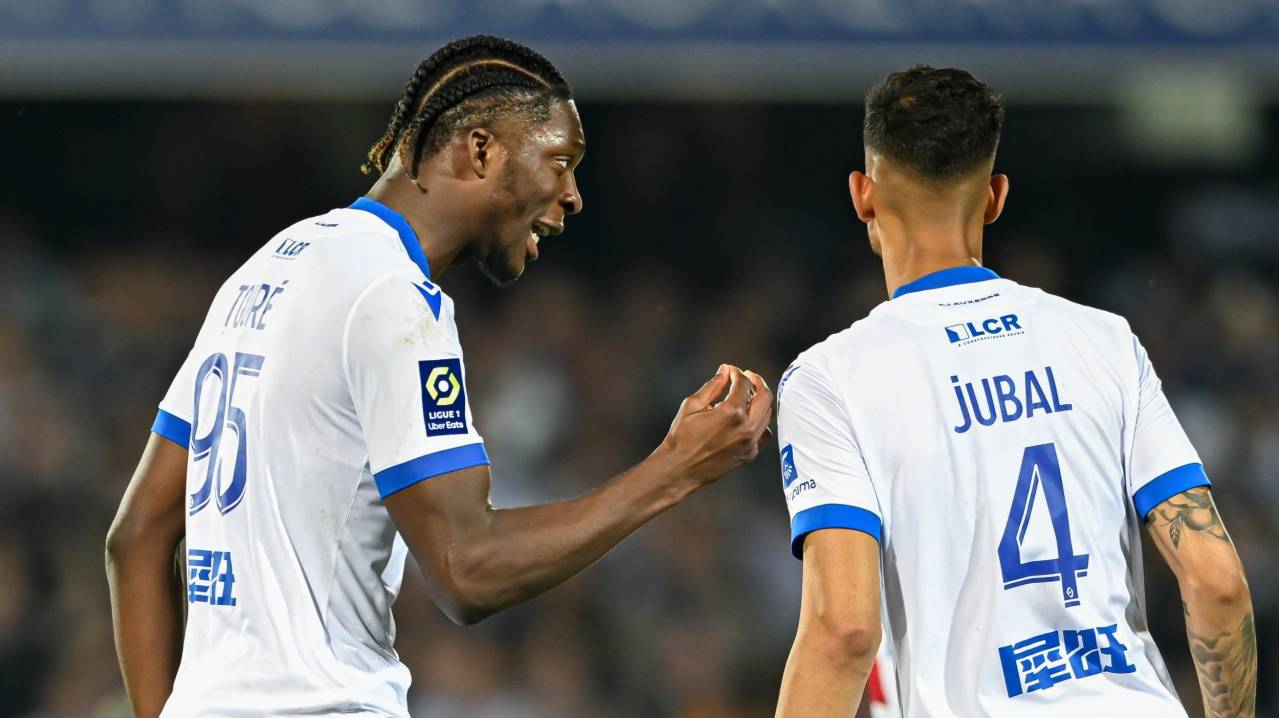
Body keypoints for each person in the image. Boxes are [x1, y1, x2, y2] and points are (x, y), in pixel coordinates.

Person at [105, 35, 772, 718]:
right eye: (559, 162)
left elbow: (136, 536)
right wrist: (674, 468)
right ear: (480, 150)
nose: (572, 196)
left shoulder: (270, 266)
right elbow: (467, 569)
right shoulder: (391, 295)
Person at [773, 66, 1255, 717]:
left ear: (862, 194)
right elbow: (1217, 580)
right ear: (995, 196)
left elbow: (844, 631)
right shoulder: (1103, 342)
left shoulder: (831, 379)